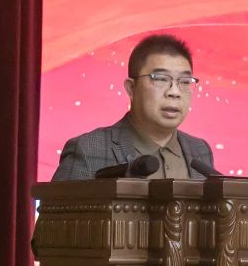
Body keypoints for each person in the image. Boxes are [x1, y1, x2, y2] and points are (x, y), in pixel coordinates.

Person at [51, 34, 216, 181]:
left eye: (185, 81)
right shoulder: (89, 150)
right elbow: (58, 208)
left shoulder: (200, 151)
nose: (174, 92)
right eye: (160, 79)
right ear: (131, 88)